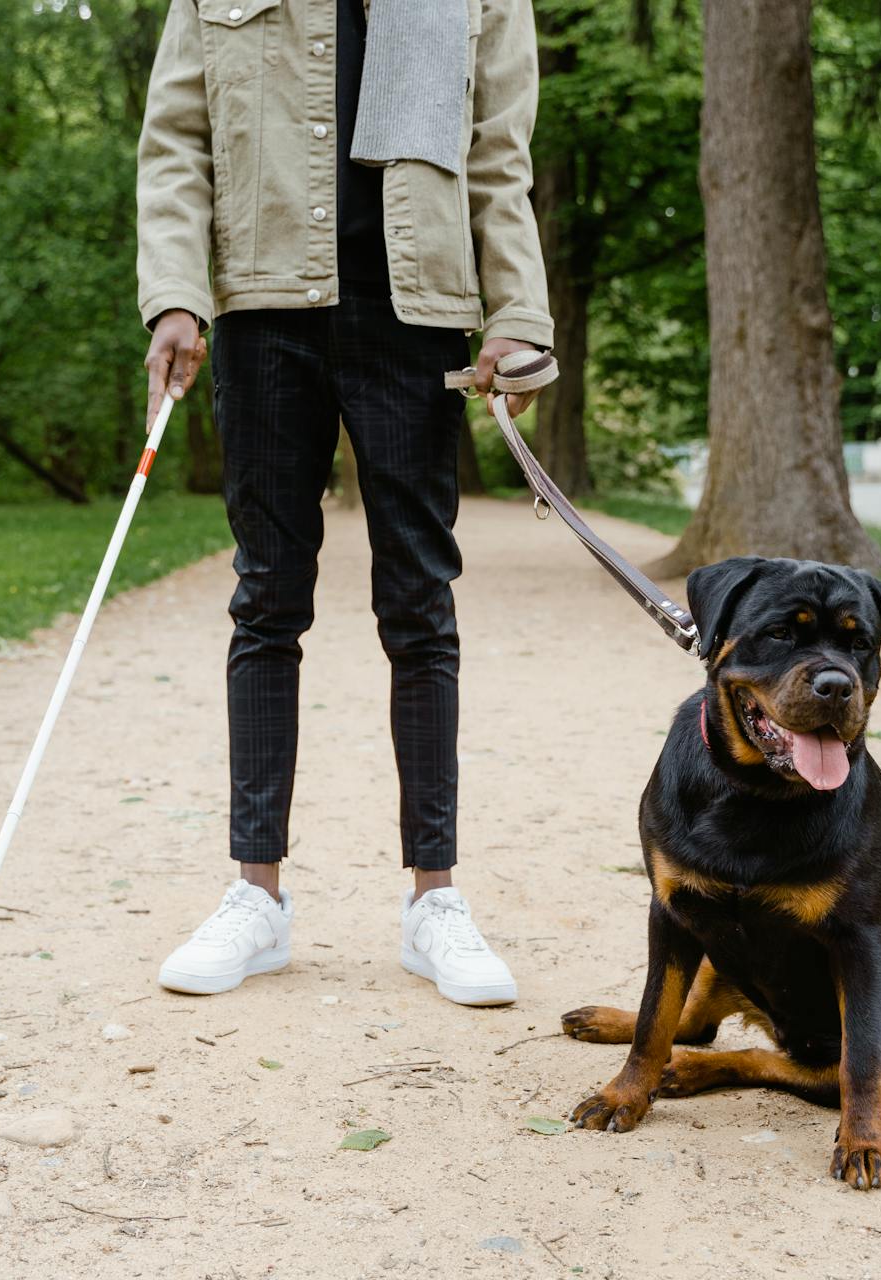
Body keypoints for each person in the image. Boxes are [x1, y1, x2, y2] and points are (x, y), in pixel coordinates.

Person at [136, 0, 553, 1004]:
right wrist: (175, 293)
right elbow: (175, 143)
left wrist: (521, 310)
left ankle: (434, 904)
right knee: (267, 598)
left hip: (415, 312)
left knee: (420, 606)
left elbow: (500, 153)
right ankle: (257, 898)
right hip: (262, 305)